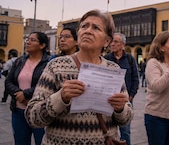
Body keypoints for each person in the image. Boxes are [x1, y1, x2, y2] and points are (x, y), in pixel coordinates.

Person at [25, 10, 134, 144]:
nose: (88, 31)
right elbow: (32, 117)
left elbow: (126, 119)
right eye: (84, 26)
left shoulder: (113, 69)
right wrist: (61, 97)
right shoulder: (56, 66)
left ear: (106, 41)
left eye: (96, 28)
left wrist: (120, 108)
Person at [5, 32, 50, 145]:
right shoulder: (19, 61)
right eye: (28, 39)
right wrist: (18, 94)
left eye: (33, 40)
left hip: (39, 112)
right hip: (18, 110)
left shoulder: (48, 63)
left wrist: (25, 94)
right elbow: (8, 81)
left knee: (42, 142)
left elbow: (46, 85)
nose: (28, 42)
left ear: (42, 45)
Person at [104, 32, 139, 145]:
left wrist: (131, 96)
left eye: (116, 42)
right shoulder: (106, 59)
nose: (112, 44)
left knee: (125, 132)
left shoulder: (129, 59)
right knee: (108, 130)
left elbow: (135, 78)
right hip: (108, 101)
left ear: (123, 45)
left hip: (125, 100)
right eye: (112, 41)